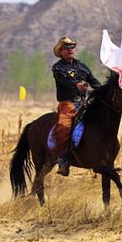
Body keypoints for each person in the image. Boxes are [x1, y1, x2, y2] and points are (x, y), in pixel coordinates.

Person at [51, 36, 101, 176]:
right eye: (66, 48)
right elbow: (64, 81)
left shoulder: (82, 66)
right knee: (63, 127)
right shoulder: (58, 68)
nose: (70, 50)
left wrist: (103, 90)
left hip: (84, 103)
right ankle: (63, 160)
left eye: (72, 47)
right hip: (67, 104)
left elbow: (94, 81)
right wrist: (76, 85)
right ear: (60, 52)